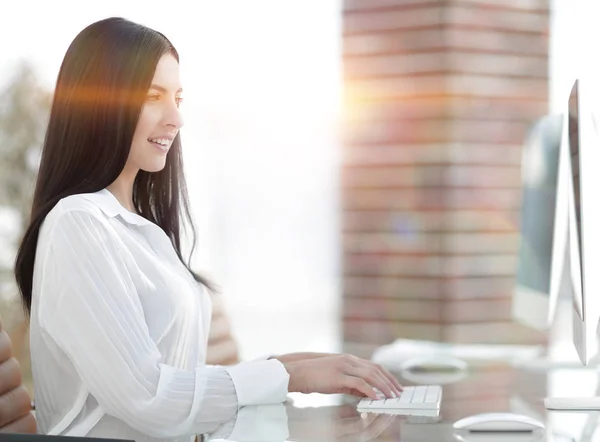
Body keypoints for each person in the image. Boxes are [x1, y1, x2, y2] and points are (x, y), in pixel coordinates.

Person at [13, 17, 402, 441]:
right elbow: (148, 398)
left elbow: (175, 379)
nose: (176, 117)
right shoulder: (78, 223)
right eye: (153, 96)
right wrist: (286, 376)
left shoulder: (139, 229)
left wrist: (289, 365)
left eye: (178, 97)